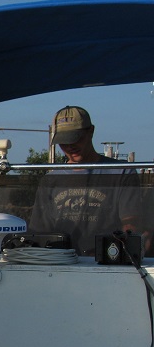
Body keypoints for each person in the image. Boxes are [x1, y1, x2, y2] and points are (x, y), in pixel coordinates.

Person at [28, 105, 143, 256]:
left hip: (106, 265)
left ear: (91, 131)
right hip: (60, 265)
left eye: (76, 139)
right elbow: (39, 233)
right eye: (64, 141)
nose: (70, 146)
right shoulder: (49, 181)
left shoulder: (122, 172)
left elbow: (132, 226)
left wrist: (108, 252)